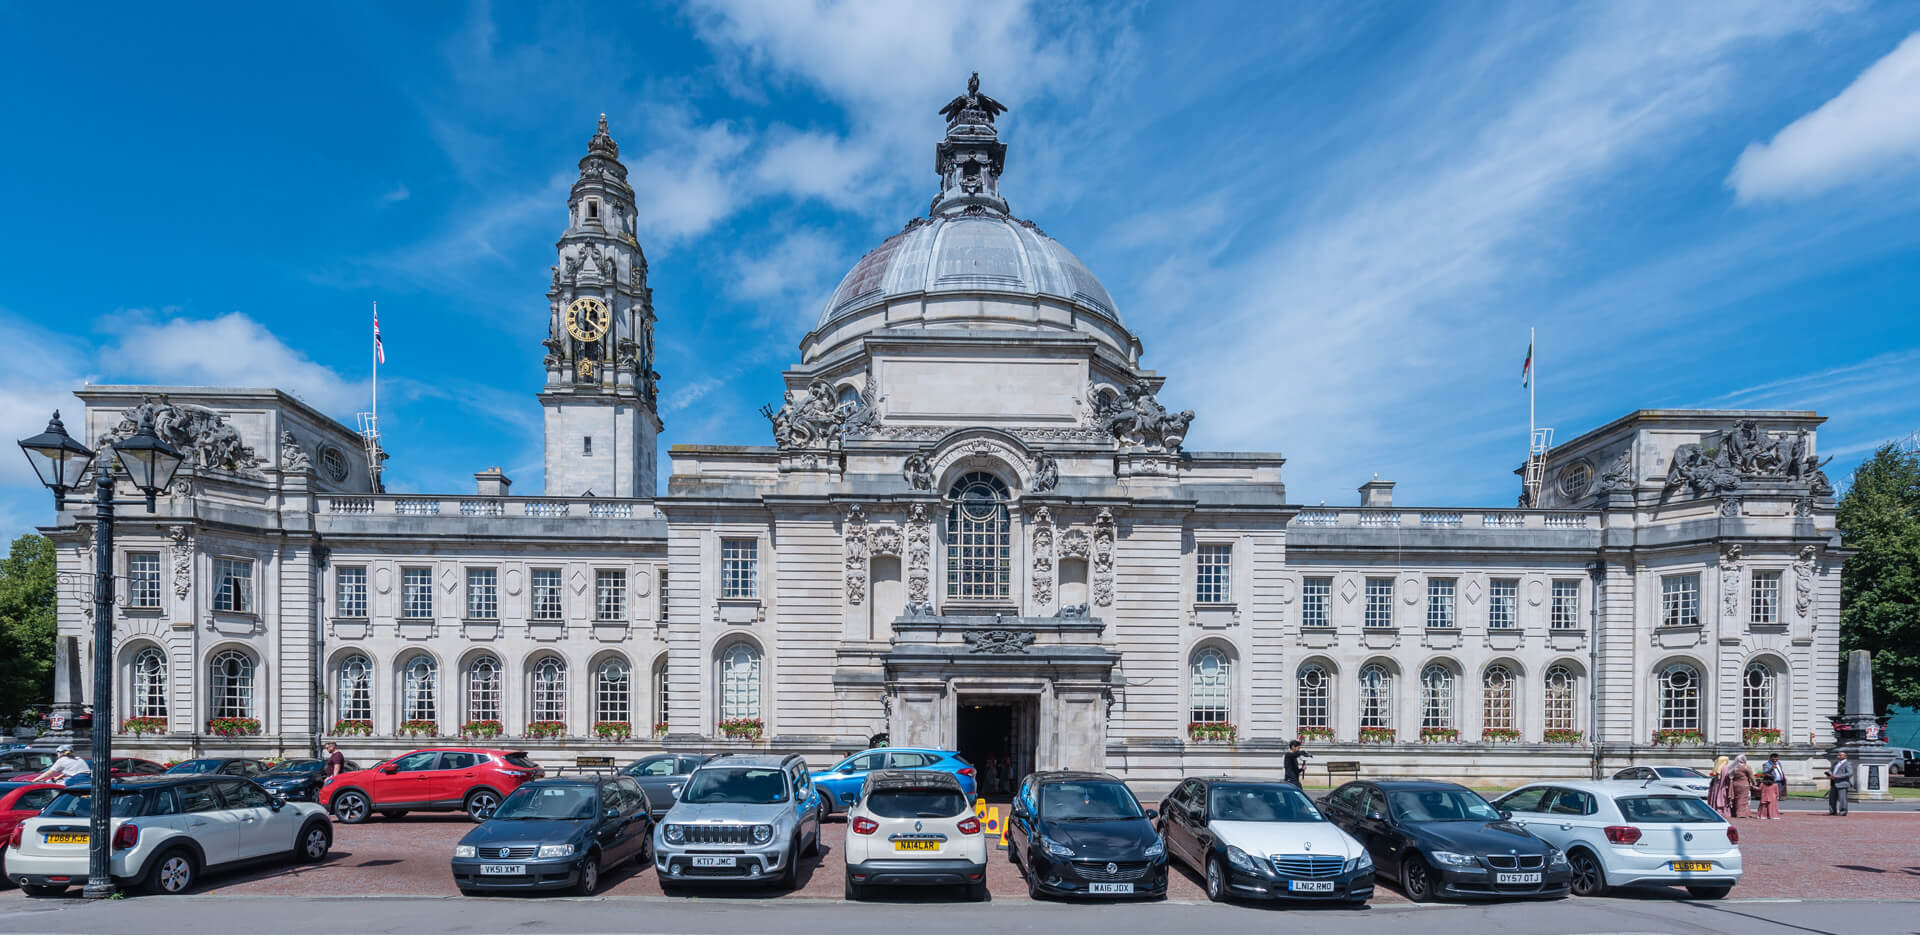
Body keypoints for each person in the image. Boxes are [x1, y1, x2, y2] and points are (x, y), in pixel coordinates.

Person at [1825, 751, 1854, 816]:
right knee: (1832, 798)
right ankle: (1832, 811)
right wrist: (1829, 774)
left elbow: (1850, 773)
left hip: (1842, 783)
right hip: (1833, 782)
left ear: (1845, 756)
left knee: (1842, 799)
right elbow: (1831, 770)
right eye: (1838, 755)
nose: (1838, 756)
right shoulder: (1836, 763)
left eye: (1840, 755)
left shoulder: (1847, 764)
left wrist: (1837, 776)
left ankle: (1843, 811)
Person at [1757, 753, 1785, 819]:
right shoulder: (1766, 764)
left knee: (1776, 797)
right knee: (1769, 798)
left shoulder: (1779, 763)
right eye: (1774, 758)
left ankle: (1773, 810)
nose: (1775, 759)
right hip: (1771, 782)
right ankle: (1767, 812)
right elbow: (1765, 773)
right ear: (1770, 758)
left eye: (1777, 758)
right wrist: (1771, 768)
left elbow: (1780, 771)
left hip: (1779, 782)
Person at [1727, 754, 1754, 819]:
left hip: (1735, 784)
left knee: (1736, 799)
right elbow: (1751, 776)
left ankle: (1735, 812)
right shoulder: (1745, 767)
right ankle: (1741, 813)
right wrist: (1754, 783)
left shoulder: (1733, 767)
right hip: (1743, 784)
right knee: (1743, 799)